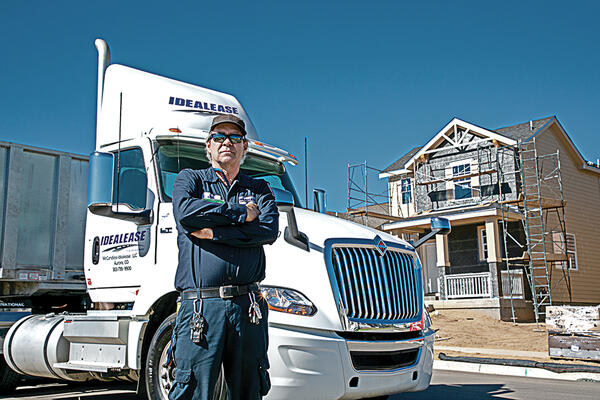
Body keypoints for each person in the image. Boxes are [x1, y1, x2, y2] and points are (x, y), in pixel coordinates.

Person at [169, 114, 279, 400]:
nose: (226, 142)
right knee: (193, 390)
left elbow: (267, 230)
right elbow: (186, 213)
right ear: (208, 146)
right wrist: (241, 214)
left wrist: (216, 234)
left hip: (248, 307)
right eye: (219, 136)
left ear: (245, 147)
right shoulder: (189, 179)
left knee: (248, 390)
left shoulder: (260, 189)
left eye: (234, 137)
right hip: (202, 309)